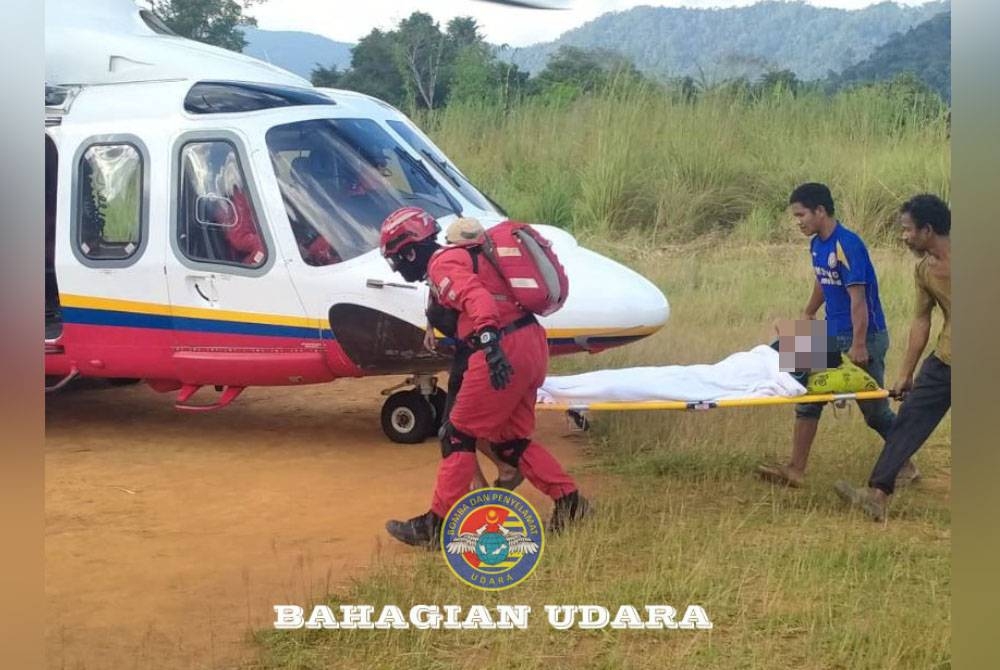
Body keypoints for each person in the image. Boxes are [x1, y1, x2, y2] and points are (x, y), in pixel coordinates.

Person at [378, 207, 590, 547]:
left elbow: (477, 299)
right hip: (531, 344)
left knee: (457, 435)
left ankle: (436, 526)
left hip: (500, 349)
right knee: (511, 442)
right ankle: (571, 503)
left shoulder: (442, 263)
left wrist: (490, 340)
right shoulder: (465, 256)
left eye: (396, 260)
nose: (398, 268)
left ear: (411, 251)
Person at [756, 182, 916, 487]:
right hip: (829, 334)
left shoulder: (848, 245)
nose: (798, 222)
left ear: (820, 211)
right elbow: (823, 280)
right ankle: (795, 469)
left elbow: (859, 299)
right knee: (802, 389)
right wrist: (808, 312)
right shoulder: (817, 243)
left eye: (801, 215)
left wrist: (859, 345)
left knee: (875, 413)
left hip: (863, 337)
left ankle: (906, 464)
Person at [834, 194, 951, 521]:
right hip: (946, 360)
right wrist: (906, 372)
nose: (904, 236)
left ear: (927, 230)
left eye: (908, 230)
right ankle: (877, 495)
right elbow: (921, 321)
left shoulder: (845, 245)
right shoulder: (923, 270)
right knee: (908, 420)